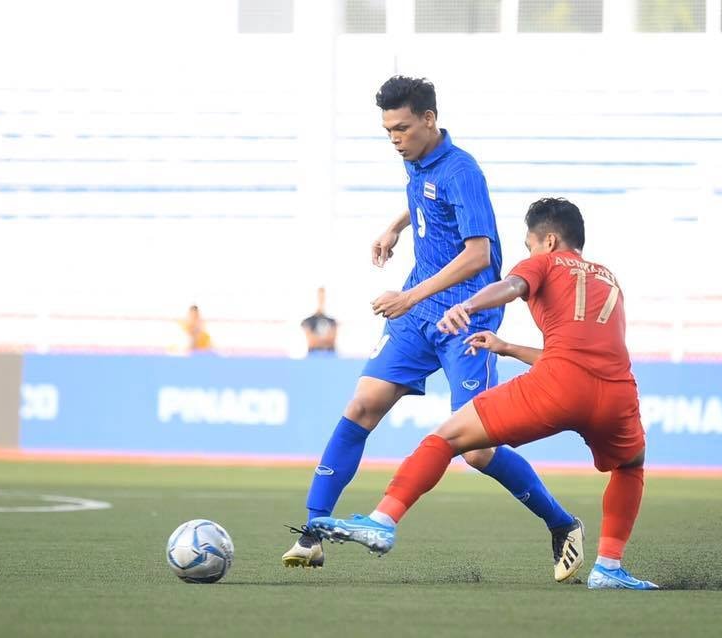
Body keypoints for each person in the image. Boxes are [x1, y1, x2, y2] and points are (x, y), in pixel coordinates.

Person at [282, 77, 583, 582]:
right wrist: (397, 227)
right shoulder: (416, 155)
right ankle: (312, 534)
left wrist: (409, 296)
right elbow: (422, 191)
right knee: (361, 406)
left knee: (480, 449)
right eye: (387, 130)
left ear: (429, 119)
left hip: (465, 317)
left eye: (402, 128)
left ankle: (562, 523)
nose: (394, 138)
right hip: (418, 317)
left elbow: (479, 255)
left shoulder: (464, 171)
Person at [309, 198, 658, 590]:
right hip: (616, 393)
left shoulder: (544, 262)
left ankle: (383, 521)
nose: (528, 252)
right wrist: (507, 348)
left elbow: (511, 286)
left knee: (447, 437)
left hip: (558, 386)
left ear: (549, 240)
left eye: (528, 245)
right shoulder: (608, 279)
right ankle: (609, 567)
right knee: (629, 466)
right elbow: (583, 355)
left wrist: (468, 304)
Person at [301, 287, 338, 355]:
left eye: (323, 297)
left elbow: (332, 341)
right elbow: (311, 342)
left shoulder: (332, 321)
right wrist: (325, 341)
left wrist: (318, 340)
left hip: (330, 357)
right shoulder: (307, 321)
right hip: (313, 358)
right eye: (319, 297)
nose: (321, 300)